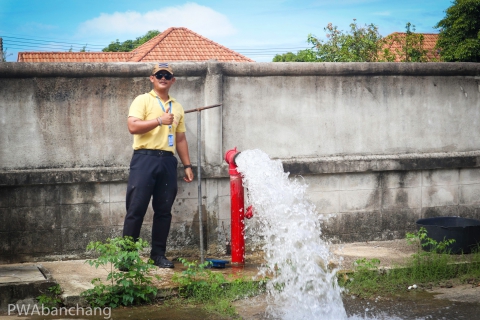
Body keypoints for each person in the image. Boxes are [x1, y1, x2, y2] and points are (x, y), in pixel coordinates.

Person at [122, 62, 194, 269]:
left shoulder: (177, 107)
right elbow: (132, 126)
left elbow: (180, 139)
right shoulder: (142, 100)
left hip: (168, 161)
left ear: (173, 80)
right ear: (151, 78)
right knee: (136, 208)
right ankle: (127, 257)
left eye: (167, 75)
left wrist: (187, 165)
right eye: (159, 74)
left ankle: (158, 255)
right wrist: (159, 121)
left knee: (164, 211)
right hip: (144, 159)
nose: (163, 78)